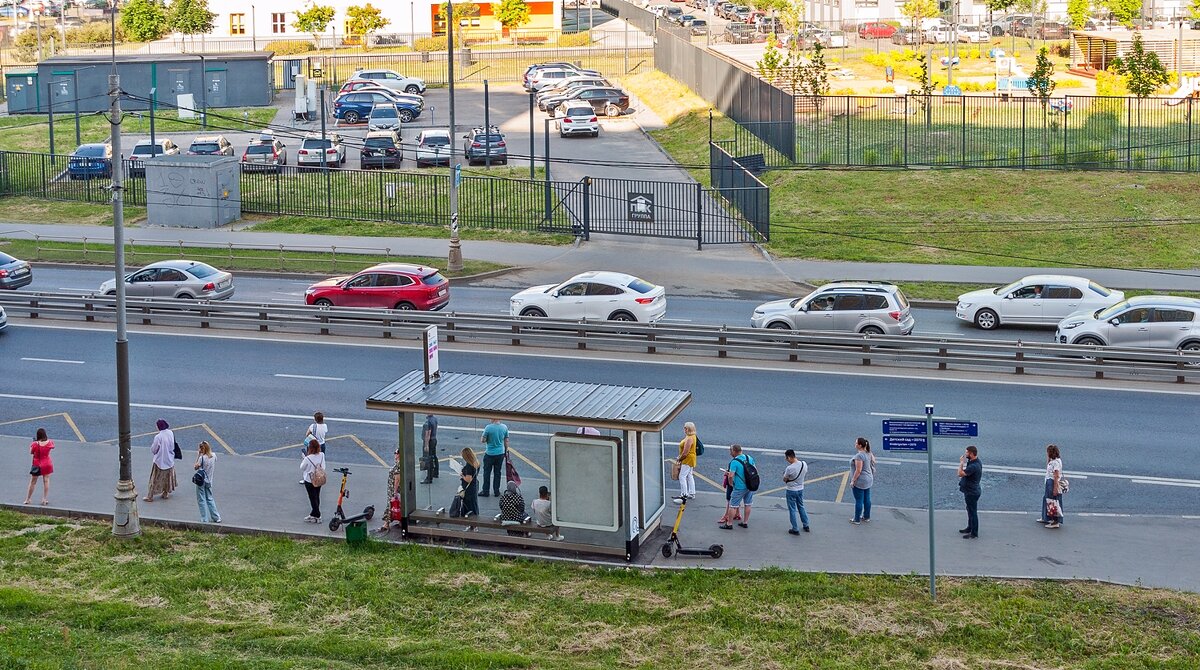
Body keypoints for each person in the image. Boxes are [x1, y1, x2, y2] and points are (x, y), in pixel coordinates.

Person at [719, 444, 755, 530]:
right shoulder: (749, 458)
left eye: (731, 451)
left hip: (739, 486)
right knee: (748, 504)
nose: (730, 453)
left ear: (734, 451)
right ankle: (745, 522)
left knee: (733, 505)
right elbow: (755, 470)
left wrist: (731, 483)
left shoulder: (734, 462)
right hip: (750, 485)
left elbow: (731, 475)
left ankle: (729, 524)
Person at [144, 419, 177, 503]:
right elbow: (173, 445)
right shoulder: (170, 433)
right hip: (169, 459)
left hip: (160, 460)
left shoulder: (158, 437)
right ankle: (165, 493)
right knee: (167, 478)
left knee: (154, 478)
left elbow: (154, 449)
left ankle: (150, 496)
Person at [479, 419, 509, 498]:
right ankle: (496, 491)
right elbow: (506, 441)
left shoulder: (488, 427)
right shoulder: (504, 427)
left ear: (492, 418)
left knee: (487, 473)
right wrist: (505, 451)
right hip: (500, 453)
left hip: (490, 454)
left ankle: (486, 491)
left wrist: (487, 438)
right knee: (497, 472)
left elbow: (483, 440)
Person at [783, 449, 810, 535]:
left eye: (786, 458)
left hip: (791, 490)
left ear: (789, 457)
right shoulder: (804, 464)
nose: (786, 460)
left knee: (792, 509)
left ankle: (795, 529)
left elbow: (784, 479)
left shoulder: (789, 468)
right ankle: (806, 525)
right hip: (800, 489)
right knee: (801, 506)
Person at [957, 445, 982, 539]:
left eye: (967, 452)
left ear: (971, 454)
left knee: (972, 512)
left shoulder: (974, 466)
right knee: (969, 510)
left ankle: (974, 533)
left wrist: (961, 463)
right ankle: (970, 527)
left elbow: (960, 473)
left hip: (971, 492)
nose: (965, 453)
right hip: (971, 490)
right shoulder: (974, 461)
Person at [193, 441, 221, 523]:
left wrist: (198, 455)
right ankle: (216, 517)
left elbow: (195, 467)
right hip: (209, 480)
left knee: (201, 499)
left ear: (201, 449)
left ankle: (204, 519)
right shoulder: (214, 456)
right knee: (210, 498)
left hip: (201, 481)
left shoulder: (202, 458)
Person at [24, 428, 54, 506]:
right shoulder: (50, 442)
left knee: (33, 482)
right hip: (47, 463)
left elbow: (31, 452)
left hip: (37, 464)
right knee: (46, 481)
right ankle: (44, 499)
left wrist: (34, 442)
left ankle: (28, 499)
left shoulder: (35, 444)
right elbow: (52, 446)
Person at [849, 436, 875, 525]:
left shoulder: (859, 456)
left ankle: (856, 519)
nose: (855, 444)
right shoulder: (868, 453)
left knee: (859, 500)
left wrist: (853, 481)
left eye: (856, 443)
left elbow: (858, 470)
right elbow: (874, 461)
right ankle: (866, 517)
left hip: (861, 481)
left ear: (860, 445)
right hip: (869, 479)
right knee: (867, 499)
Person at [300, 439, 326, 523]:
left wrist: (304, 458)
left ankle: (318, 515)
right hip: (319, 478)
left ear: (310, 448)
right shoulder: (322, 455)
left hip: (309, 480)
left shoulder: (308, 458)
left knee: (312, 498)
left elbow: (302, 468)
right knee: (317, 496)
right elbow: (323, 466)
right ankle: (313, 514)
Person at [672, 422, 698, 505]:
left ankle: (684, 495)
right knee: (690, 475)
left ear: (688, 429)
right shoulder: (692, 436)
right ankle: (692, 493)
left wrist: (679, 459)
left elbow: (685, 452)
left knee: (682, 476)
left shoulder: (689, 438)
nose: (684, 429)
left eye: (685, 428)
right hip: (691, 458)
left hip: (687, 459)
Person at [378, 449, 403, 533]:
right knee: (398, 505)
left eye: (396, 453)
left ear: (399, 454)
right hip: (394, 488)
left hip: (393, 488)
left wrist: (395, 492)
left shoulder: (399, 464)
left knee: (390, 504)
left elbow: (397, 479)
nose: (394, 454)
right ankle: (400, 521)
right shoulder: (399, 463)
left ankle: (386, 524)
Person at [1041, 444, 1065, 529]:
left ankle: (1055, 521)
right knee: (1046, 499)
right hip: (1049, 482)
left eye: (1047, 452)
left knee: (1053, 502)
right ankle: (1046, 517)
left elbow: (1056, 476)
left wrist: (1055, 488)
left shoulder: (1056, 463)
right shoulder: (1053, 461)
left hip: (1052, 483)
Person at [459, 447, 480, 518]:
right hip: (475, 485)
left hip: (469, 488)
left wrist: (462, 475)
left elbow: (468, 479)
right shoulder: (476, 462)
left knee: (468, 506)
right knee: (474, 504)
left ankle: (471, 523)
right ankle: (475, 521)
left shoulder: (469, 466)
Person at [420, 413, 439, 484]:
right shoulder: (434, 419)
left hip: (429, 442)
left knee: (428, 460)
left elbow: (427, 434)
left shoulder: (427, 423)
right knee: (434, 456)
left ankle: (429, 478)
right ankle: (435, 473)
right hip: (434, 440)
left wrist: (426, 445)